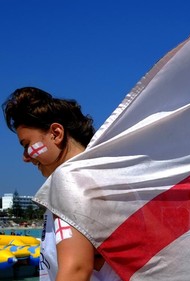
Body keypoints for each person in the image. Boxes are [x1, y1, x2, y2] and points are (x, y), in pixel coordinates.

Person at [2, 87, 120, 281]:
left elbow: (76, 269)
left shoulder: (70, 181)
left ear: (56, 133)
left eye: (26, 145)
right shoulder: (102, 178)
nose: (25, 157)